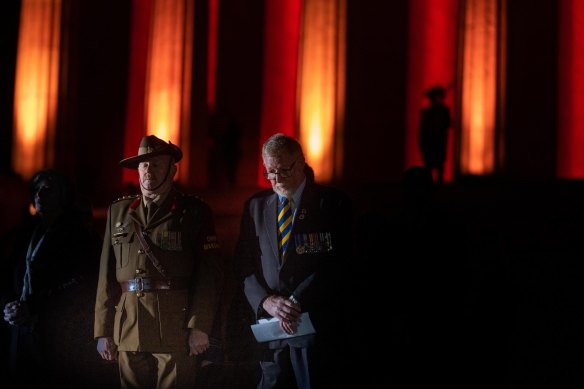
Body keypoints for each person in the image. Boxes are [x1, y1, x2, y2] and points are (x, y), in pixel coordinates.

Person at [94, 135, 224, 388]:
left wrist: (200, 326)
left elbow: (209, 276)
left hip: (175, 324)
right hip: (128, 323)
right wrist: (103, 330)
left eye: (156, 165)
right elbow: (106, 276)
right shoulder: (119, 212)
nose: (148, 171)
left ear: (172, 170)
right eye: (143, 165)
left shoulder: (193, 211)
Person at [234, 133, 353, 388]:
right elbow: (244, 264)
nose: (276, 179)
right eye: (270, 172)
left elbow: (337, 263)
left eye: (283, 170)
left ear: (300, 163)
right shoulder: (255, 207)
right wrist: (265, 301)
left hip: (314, 329)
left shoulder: (331, 203)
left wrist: (296, 301)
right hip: (270, 333)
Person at [1, 168, 102, 388]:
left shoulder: (77, 235)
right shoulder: (25, 232)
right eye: (36, 189)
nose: (39, 194)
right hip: (22, 330)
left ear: (63, 195)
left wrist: (34, 306)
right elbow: (7, 275)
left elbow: (80, 282)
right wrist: (8, 305)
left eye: (48, 189)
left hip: (57, 332)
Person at [419, 85, 451, 185]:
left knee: (440, 166)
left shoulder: (444, 111)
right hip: (429, 144)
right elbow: (422, 130)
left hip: (439, 143)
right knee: (429, 168)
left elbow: (447, 124)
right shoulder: (426, 113)